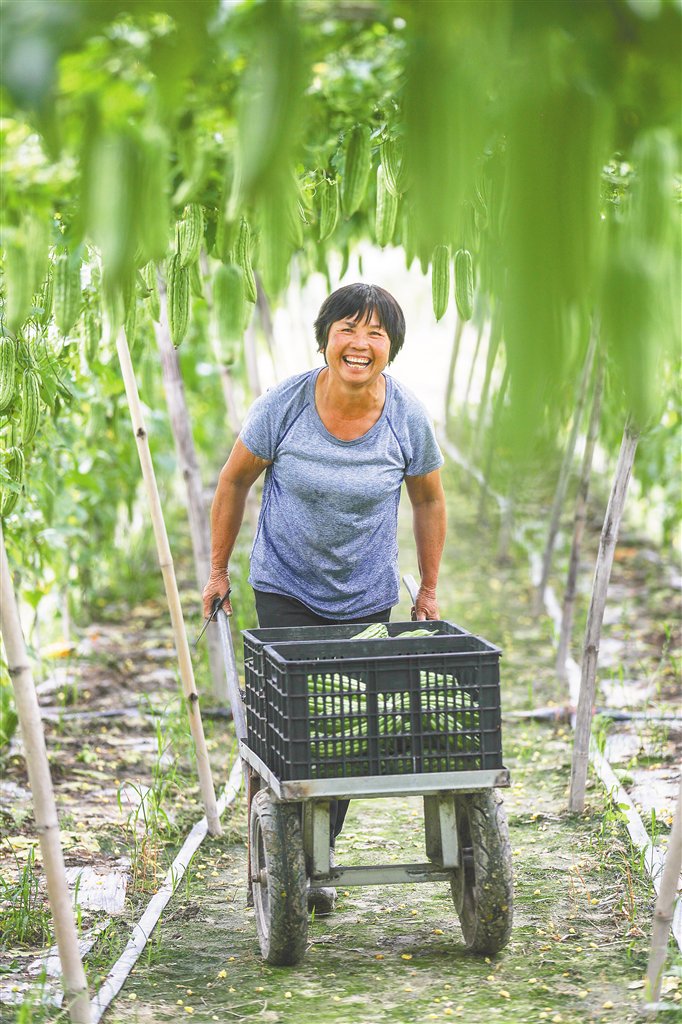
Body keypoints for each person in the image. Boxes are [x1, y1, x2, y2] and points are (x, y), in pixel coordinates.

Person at [202, 282, 447, 910]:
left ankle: (312, 856)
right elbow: (233, 483)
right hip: (285, 587)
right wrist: (218, 572)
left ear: (391, 348)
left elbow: (428, 498)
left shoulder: (406, 416)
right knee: (291, 731)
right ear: (325, 339)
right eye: (347, 329)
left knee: (347, 736)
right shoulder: (283, 406)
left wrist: (427, 588)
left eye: (376, 333)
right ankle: (286, 853)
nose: (360, 344)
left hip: (366, 596)